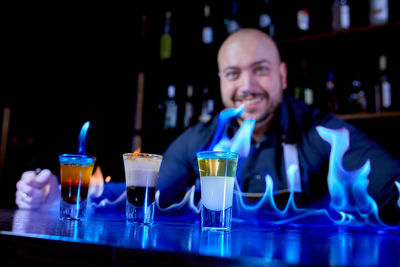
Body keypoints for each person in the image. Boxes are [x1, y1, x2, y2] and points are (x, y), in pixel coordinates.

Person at [15, 28, 400, 223]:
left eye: (260, 70)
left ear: (282, 75)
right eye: (233, 74)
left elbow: (392, 184)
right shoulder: (201, 139)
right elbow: (145, 191)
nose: (246, 87)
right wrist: (63, 195)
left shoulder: (320, 131)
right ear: (220, 80)